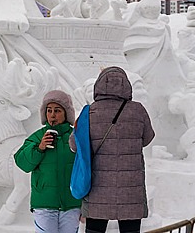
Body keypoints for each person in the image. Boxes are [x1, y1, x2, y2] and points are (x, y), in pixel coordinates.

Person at [82, 66, 155, 233]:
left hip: (97, 187)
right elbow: (148, 138)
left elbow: (74, 144)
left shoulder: (90, 111)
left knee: (95, 230)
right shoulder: (138, 109)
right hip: (131, 189)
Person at [14, 90, 81, 233]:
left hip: (72, 204)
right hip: (44, 204)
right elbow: (22, 163)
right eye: (49, 110)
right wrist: (39, 148)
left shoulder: (76, 137)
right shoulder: (38, 137)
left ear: (66, 114)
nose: (52, 114)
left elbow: (86, 167)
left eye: (57, 110)